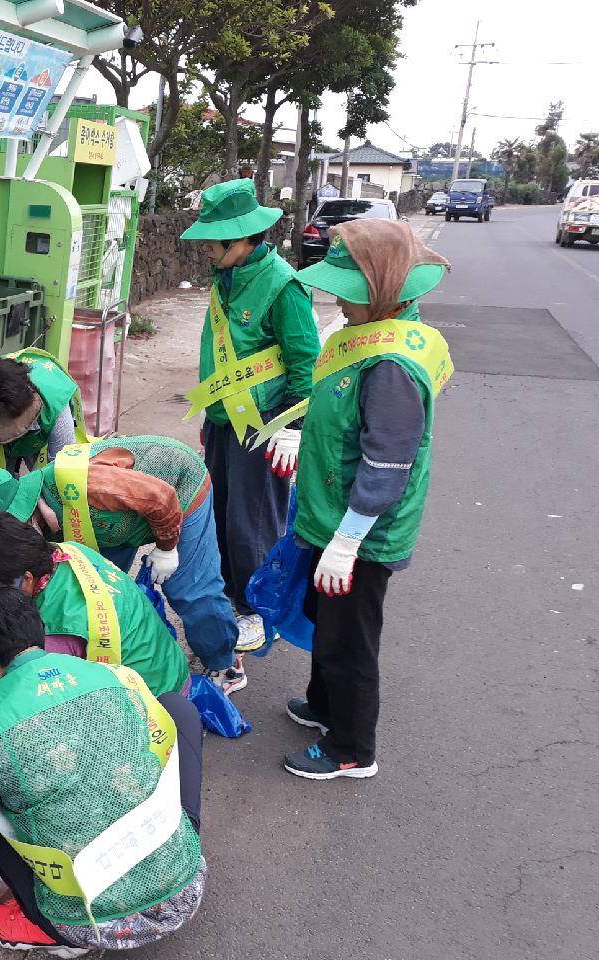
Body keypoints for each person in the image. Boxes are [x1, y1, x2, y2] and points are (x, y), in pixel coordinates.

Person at [0, 581, 206, 954]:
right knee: (178, 711)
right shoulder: (114, 676)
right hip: (184, 885)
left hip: (89, 924)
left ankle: (34, 922)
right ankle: (173, 843)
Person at [279, 219, 452, 780]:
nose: (339, 302)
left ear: (383, 290)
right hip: (333, 513)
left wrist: (349, 539)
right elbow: (345, 418)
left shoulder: (392, 366)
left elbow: (387, 460)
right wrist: (302, 433)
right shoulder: (376, 334)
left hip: (361, 529)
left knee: (350, 640)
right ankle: (326, 708)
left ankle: (351, 748)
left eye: (348, 293)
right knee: (326, 621)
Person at [0, 435, 247, 693]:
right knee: (99, 590)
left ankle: (225, 663)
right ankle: (144, 645)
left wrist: (166, 548)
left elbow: (161, 498)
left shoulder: (84, 484)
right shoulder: (36, 529)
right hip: (118, 524)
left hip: (176, 493)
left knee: (190, 590)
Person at [180, 179, 320, 648]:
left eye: (211, 241)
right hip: (224, 420)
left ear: (241, 238)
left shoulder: (283, 286)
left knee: (252, 524)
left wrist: (292, 429)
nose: (204, 250)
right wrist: (210, 416)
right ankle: (228, 600)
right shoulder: (227, 277)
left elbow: (305, 364)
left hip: (265, 426)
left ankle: (258, 609)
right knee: (215, 514)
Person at [0, 512, 189, 699]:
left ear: (27, 578)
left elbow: (40, 696)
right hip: (170, 667)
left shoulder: (57, 633)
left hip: (153, 704)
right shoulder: (67, 551)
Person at [0, 350, 85, 484]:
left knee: (47, 483)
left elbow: (61, 469)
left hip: (39, 438)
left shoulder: (55, 402)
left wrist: (35, 500)